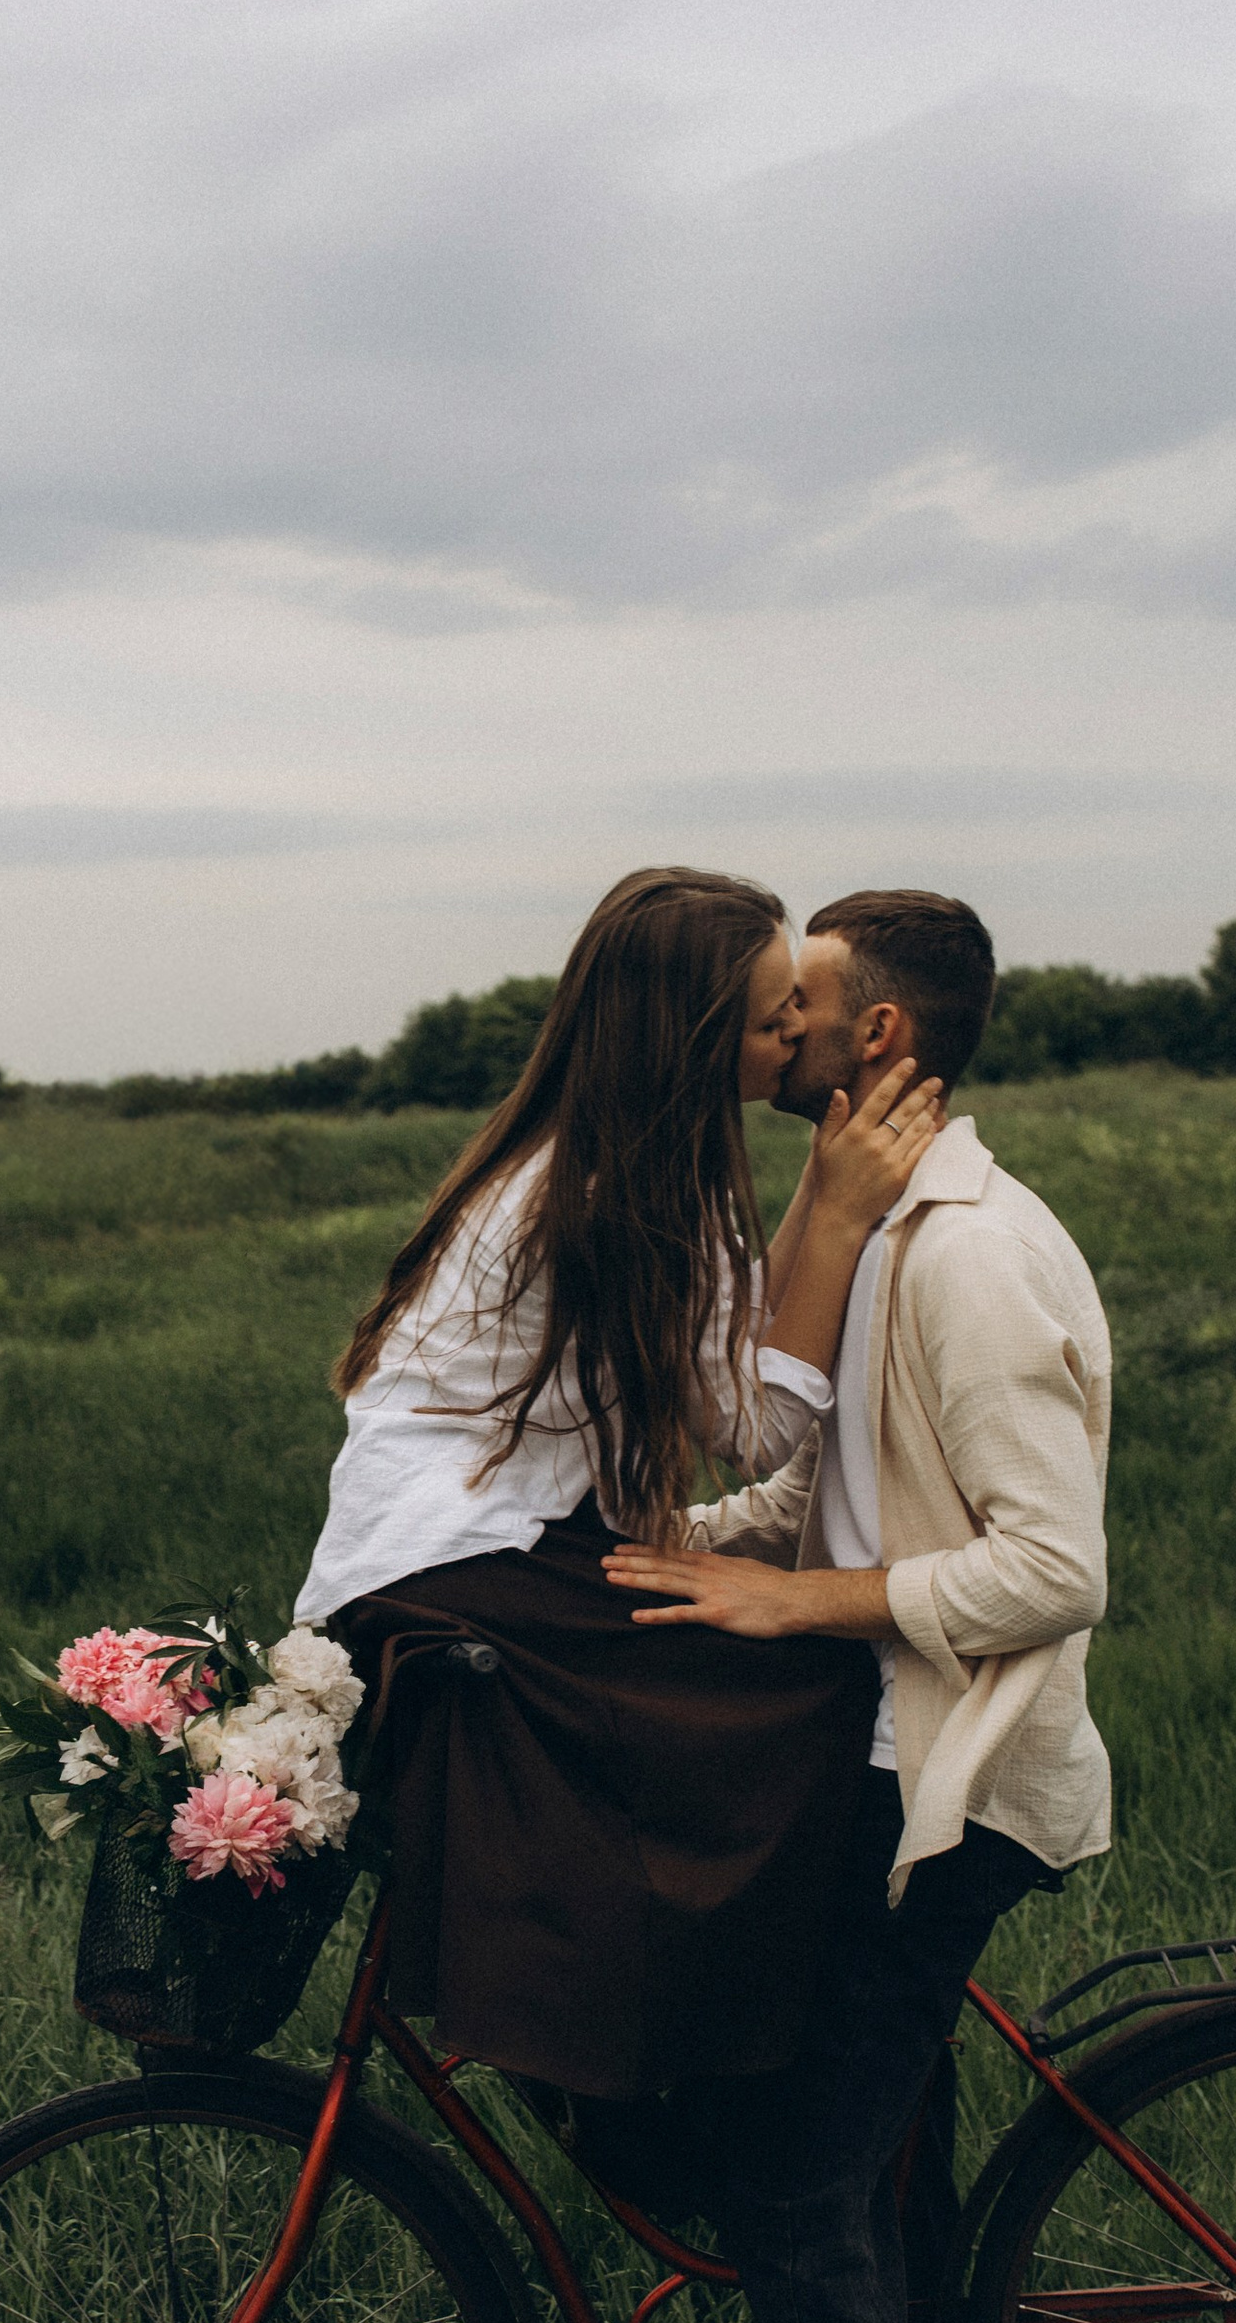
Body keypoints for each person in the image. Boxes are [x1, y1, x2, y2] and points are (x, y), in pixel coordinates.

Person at [604, 888, 1113, 2323]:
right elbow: (841, 1490)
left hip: (950, 1785)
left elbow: (1052, 1569)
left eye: (797, 1003)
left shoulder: (972, 1255)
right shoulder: (884, 1217)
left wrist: (786, 1601)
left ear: (876, 1037)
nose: (772, 1026)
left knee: (800, 2186)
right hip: (879, 1753)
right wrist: (681, 1558)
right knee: (869, 2150)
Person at [297, 866, 942, 2115]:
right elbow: (754, 1423)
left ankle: (673, 2047)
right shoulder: (627, 1195)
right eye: (769, 1021)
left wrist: (818, 1178)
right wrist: (849, 1212)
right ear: (694, 1039)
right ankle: (741, 2062)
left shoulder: (578, 1158)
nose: (795, 1035)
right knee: (796, 1697)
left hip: (427, 1564)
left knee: (716, 1699)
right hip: (465, 1569)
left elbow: (726, 1353)